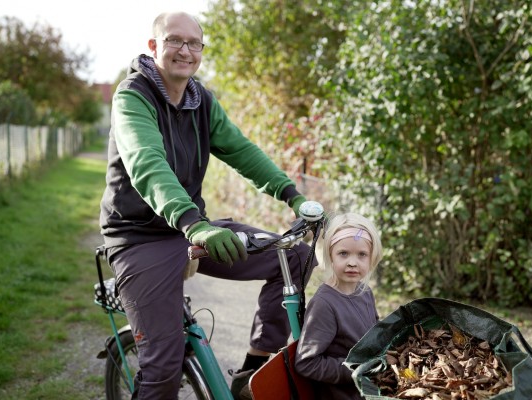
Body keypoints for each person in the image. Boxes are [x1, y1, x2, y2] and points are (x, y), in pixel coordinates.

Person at [99, 11, 315, 400]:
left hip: (193, 227)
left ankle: (254, 371)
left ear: (201, 50)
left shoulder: (201, 100)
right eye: (174, 41)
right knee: (162, 372)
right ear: (154, 46)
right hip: (139, 238)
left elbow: (242, 151)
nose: (185, 50)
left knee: (294, 258)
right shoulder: (133, 96)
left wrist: (292, 195)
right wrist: (194, 224)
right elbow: (148, 164)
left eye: (193, 43)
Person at [295, 213, 382, 400]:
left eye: (362, 255)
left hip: (372, 385)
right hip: (344, 394)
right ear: (331, 256)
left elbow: (375, 333)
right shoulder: (325, 304)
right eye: (343, 253)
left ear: (371, 258)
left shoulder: (365, 292)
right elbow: (307, 363)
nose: (352, 262)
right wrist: (359, 368)